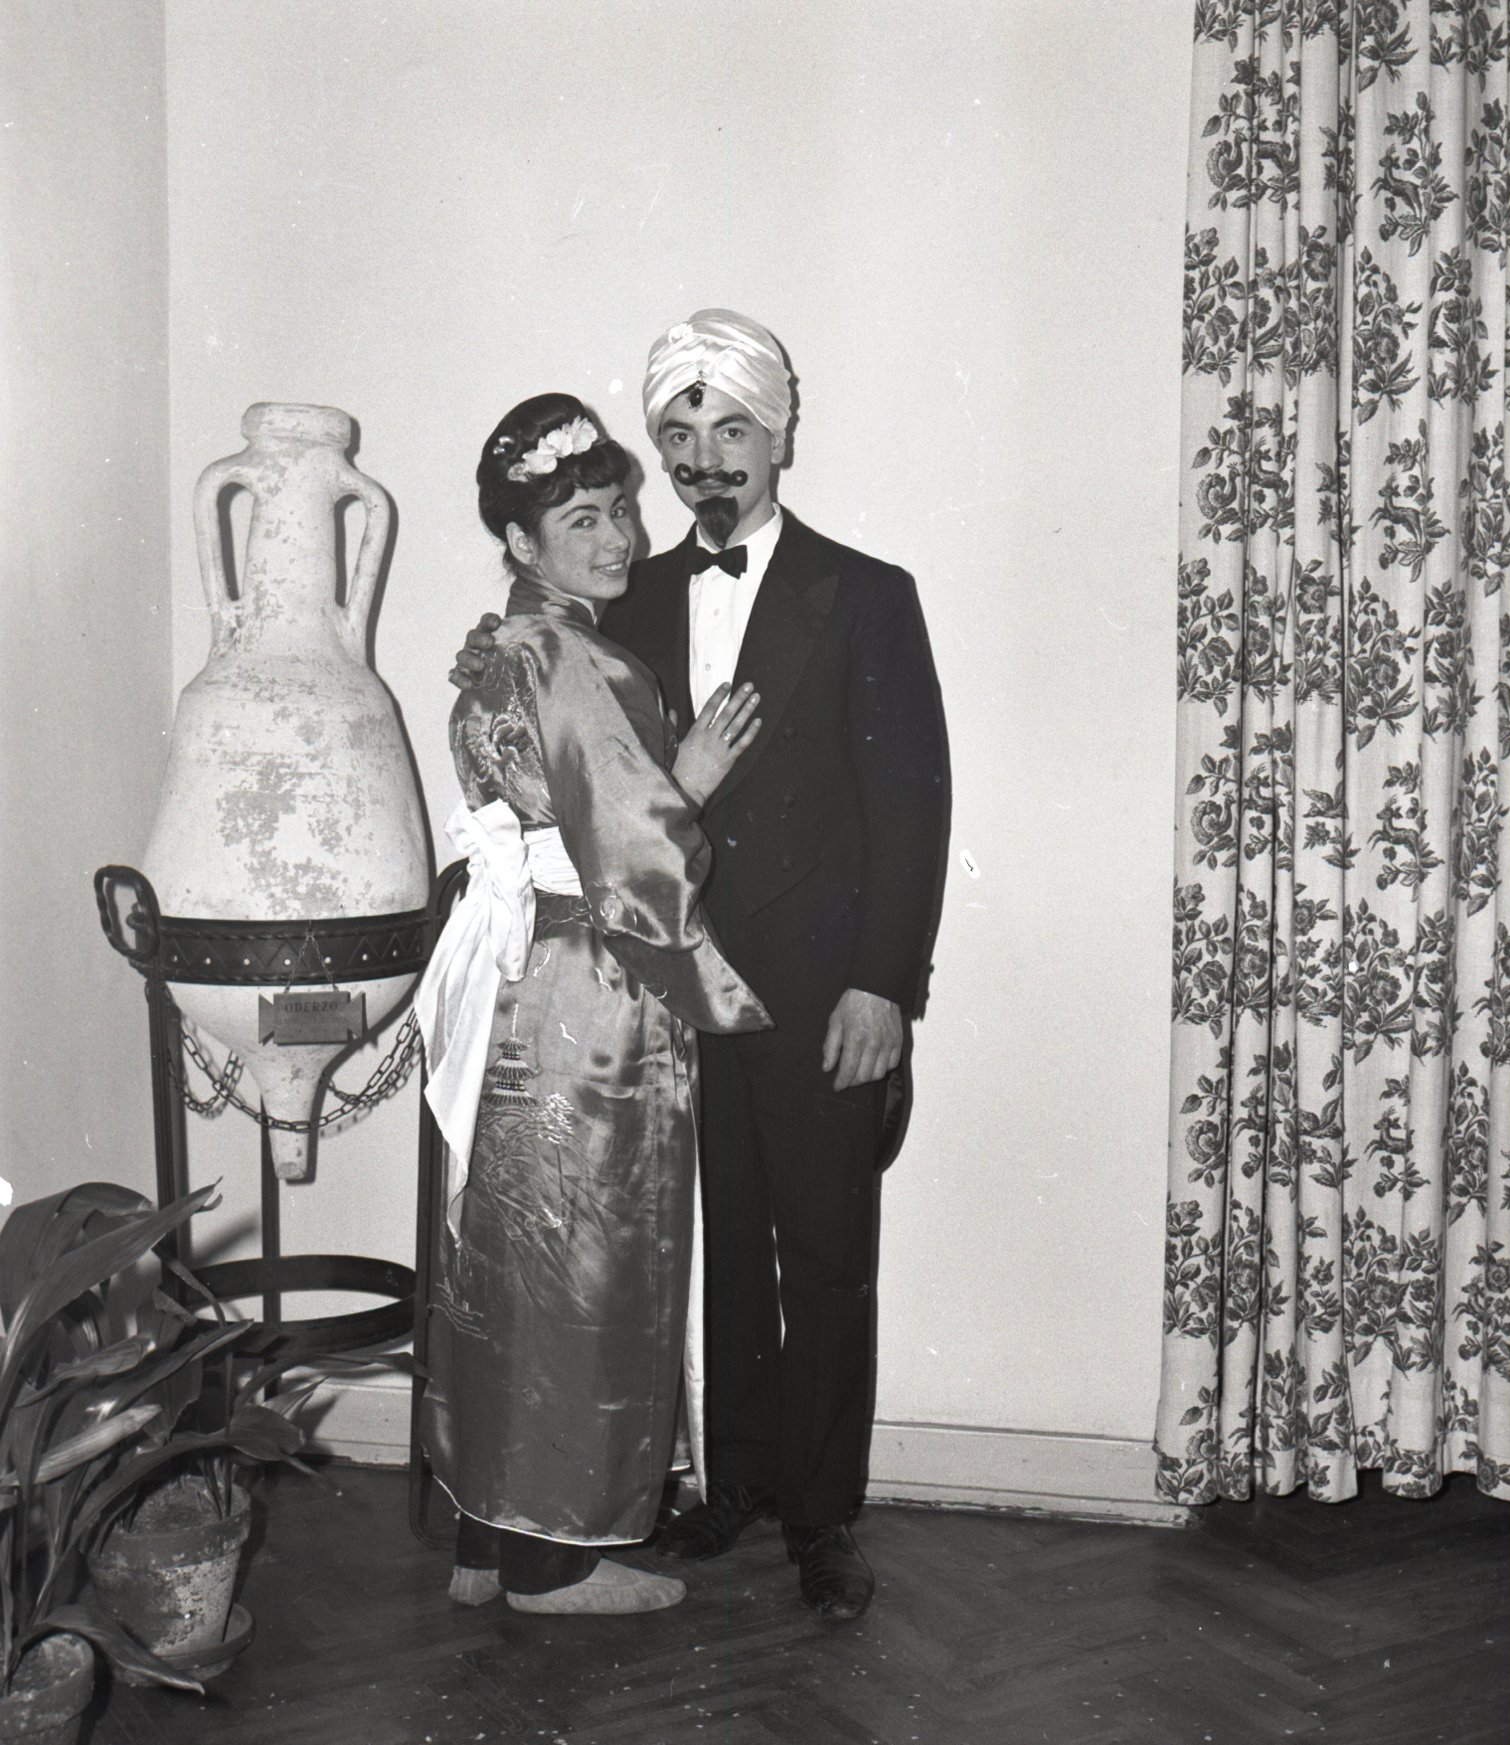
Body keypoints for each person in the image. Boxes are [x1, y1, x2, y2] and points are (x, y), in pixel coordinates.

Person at [456, 311, 948, 1621]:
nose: (704, 458)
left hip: (822, 988)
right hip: (672, 986)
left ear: (780, 432)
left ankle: (822, 1515)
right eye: (678, 432)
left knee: (825, 1254)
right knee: (714, 1243)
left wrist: (883, 985)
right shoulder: (626, 594)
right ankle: (734, 1482)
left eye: (731, 428)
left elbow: (911, 804)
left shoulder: (868, 594)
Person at [416, 391, 771, 1616]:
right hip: (586, 985)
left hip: (519, 980)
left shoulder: (505, 644)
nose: (618, 536)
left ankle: (485, 1539)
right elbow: (636, 845)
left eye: (620, 508)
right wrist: (691, 779)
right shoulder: (575, 656)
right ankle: (553, 1557)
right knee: (583, 1252)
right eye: (583, 519)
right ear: (522, 541)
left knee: (505, 1247)